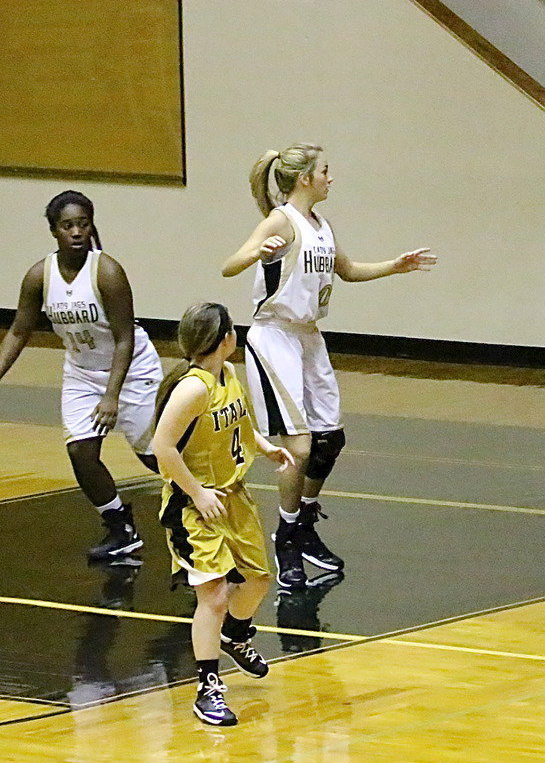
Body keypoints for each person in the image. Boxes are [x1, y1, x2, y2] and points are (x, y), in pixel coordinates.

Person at [222, 143, 436, 589]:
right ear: (304, 179)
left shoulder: (321, 225)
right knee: (298, 449)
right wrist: (258, 253)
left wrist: (396, 266)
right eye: (324, 171)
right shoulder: (281, 220)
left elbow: (348, 270)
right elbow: (230, 265)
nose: (330, 177)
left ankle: (303, 522)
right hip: (275, 336)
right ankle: (285, 539)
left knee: (329, 440)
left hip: (308, 337)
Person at [151, 301, 294, 726]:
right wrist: (197, 493)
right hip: (194, 505)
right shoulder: (193, 389)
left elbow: (239, 422)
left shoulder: (227, 373)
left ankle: (234, 634)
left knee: (258, 581)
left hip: (233, 496)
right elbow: (162, 447)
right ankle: (208, 688)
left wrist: (264, 447)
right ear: (226, 339)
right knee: (213, 596)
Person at [0, 190, 162, 561]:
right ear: (53, 231)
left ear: (91, 226)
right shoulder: (39, 275)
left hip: (131, 370)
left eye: (83, 224)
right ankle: (121, 528)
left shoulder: (107, 272)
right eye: (67, 226)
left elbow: (124, 339)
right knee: (80, 451)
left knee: (154, 456)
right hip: (81, 371)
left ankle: (198, 508)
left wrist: (111, 395)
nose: (76, 232)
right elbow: (18, 331)